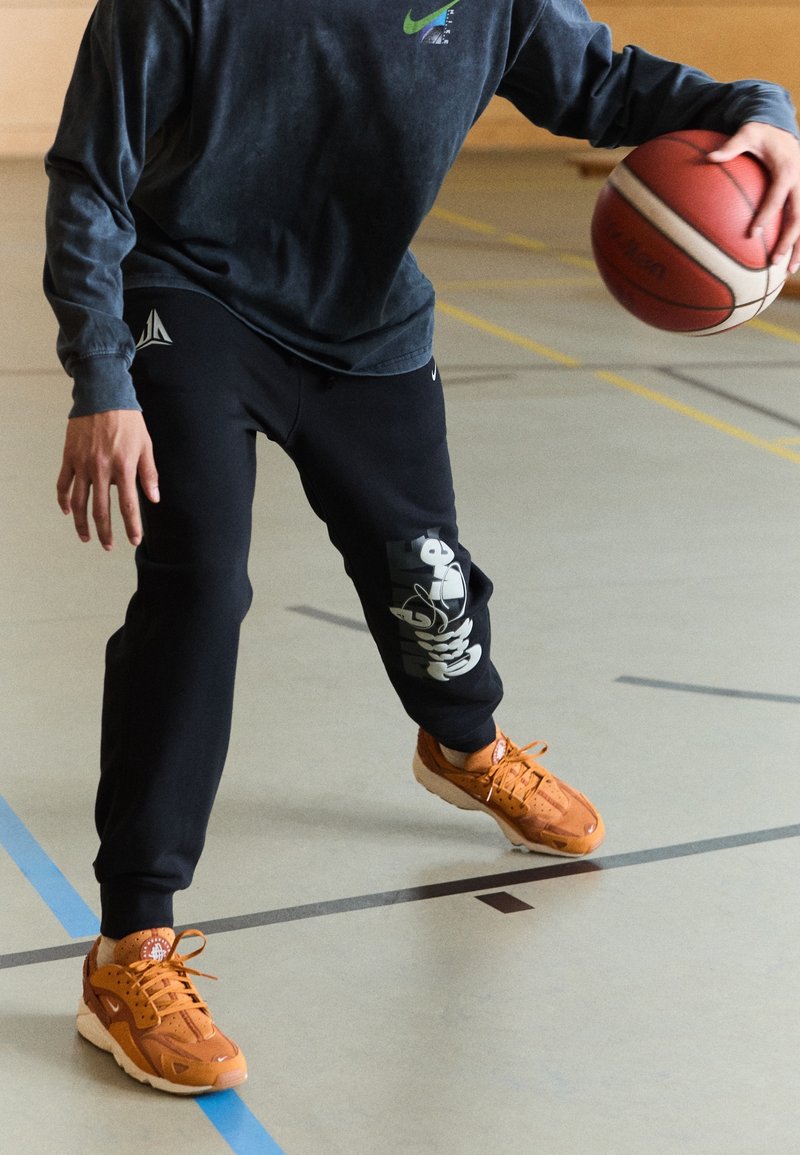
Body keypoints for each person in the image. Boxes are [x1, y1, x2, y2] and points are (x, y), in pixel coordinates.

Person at [45, 0, 800, 1095]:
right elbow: (92, 181)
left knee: (425, 582)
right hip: (195, 298)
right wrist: (102, 379)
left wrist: (759, 111)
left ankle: (462, 744)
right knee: (198, 587)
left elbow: (610, 86)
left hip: (367, 327)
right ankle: (131, 947)